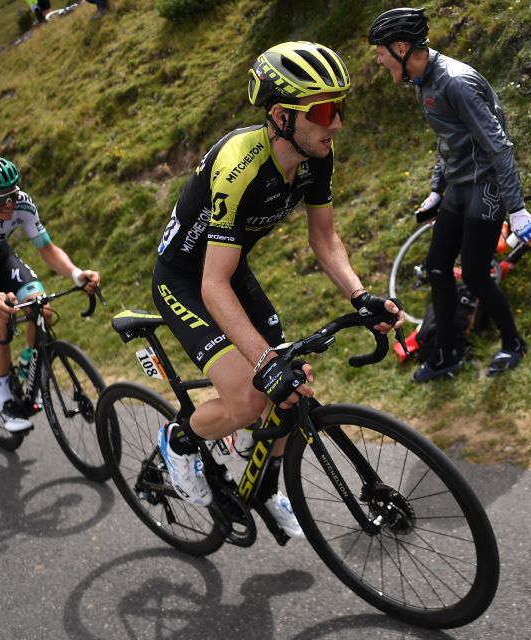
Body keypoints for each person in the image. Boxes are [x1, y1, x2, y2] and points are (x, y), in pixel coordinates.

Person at [151, 41, 402, 535]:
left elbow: (324, 238)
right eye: (325, 111)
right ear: (282, 115)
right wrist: (263, 362)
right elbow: (211, 283)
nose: (337, 124)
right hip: (187, 279)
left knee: (292, 394)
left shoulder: (316, 156)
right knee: (249, 398)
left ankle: (261, 485)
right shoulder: (239, 167)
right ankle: (176, 444)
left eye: (339, 108)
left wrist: (359, 295)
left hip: (229, 270)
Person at [369, 8, 531, 382]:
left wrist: (517, 208)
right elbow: (448, 140)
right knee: (437, 267)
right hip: (460, 186)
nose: (378, 59)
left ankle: (513, 343)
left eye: (380, 51)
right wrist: (436, 189)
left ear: (400, 47)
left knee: (477, 276)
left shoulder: (455, 82)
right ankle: (447, 352)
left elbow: (499, 147)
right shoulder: (422, 80)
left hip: (486, 187)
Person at [0, 156, 101, 432]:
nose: (9, 204)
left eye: (12, 195)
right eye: (0, 200)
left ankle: (28, 359)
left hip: (0, 256)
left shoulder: (22, 203)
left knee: (44, 309)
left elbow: (47, 249)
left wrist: (77, 274)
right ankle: (4, 398)